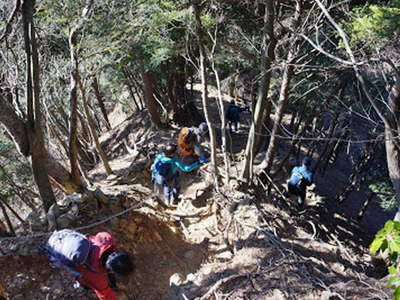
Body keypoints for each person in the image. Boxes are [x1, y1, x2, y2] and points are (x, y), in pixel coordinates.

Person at [44, 230, 133, 300]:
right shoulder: (97, 278)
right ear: (110, 271)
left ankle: (112, 284)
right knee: (86, 283)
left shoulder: (107, 239)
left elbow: (101, 235)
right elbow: (105, 295)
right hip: (53, 249)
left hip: (61, 235)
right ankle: (85, 286)